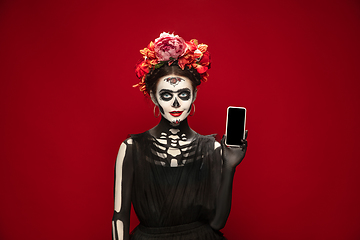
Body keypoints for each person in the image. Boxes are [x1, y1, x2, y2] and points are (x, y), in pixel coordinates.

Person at [112, 32, 248, 240]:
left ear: (194, 95)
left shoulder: (212, 148)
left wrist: (229, 167)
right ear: (154, 97)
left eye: (183, 94)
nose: (176, 103)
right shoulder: (131, 148)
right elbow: (119, 217)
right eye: (167, 95)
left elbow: (218, 223)